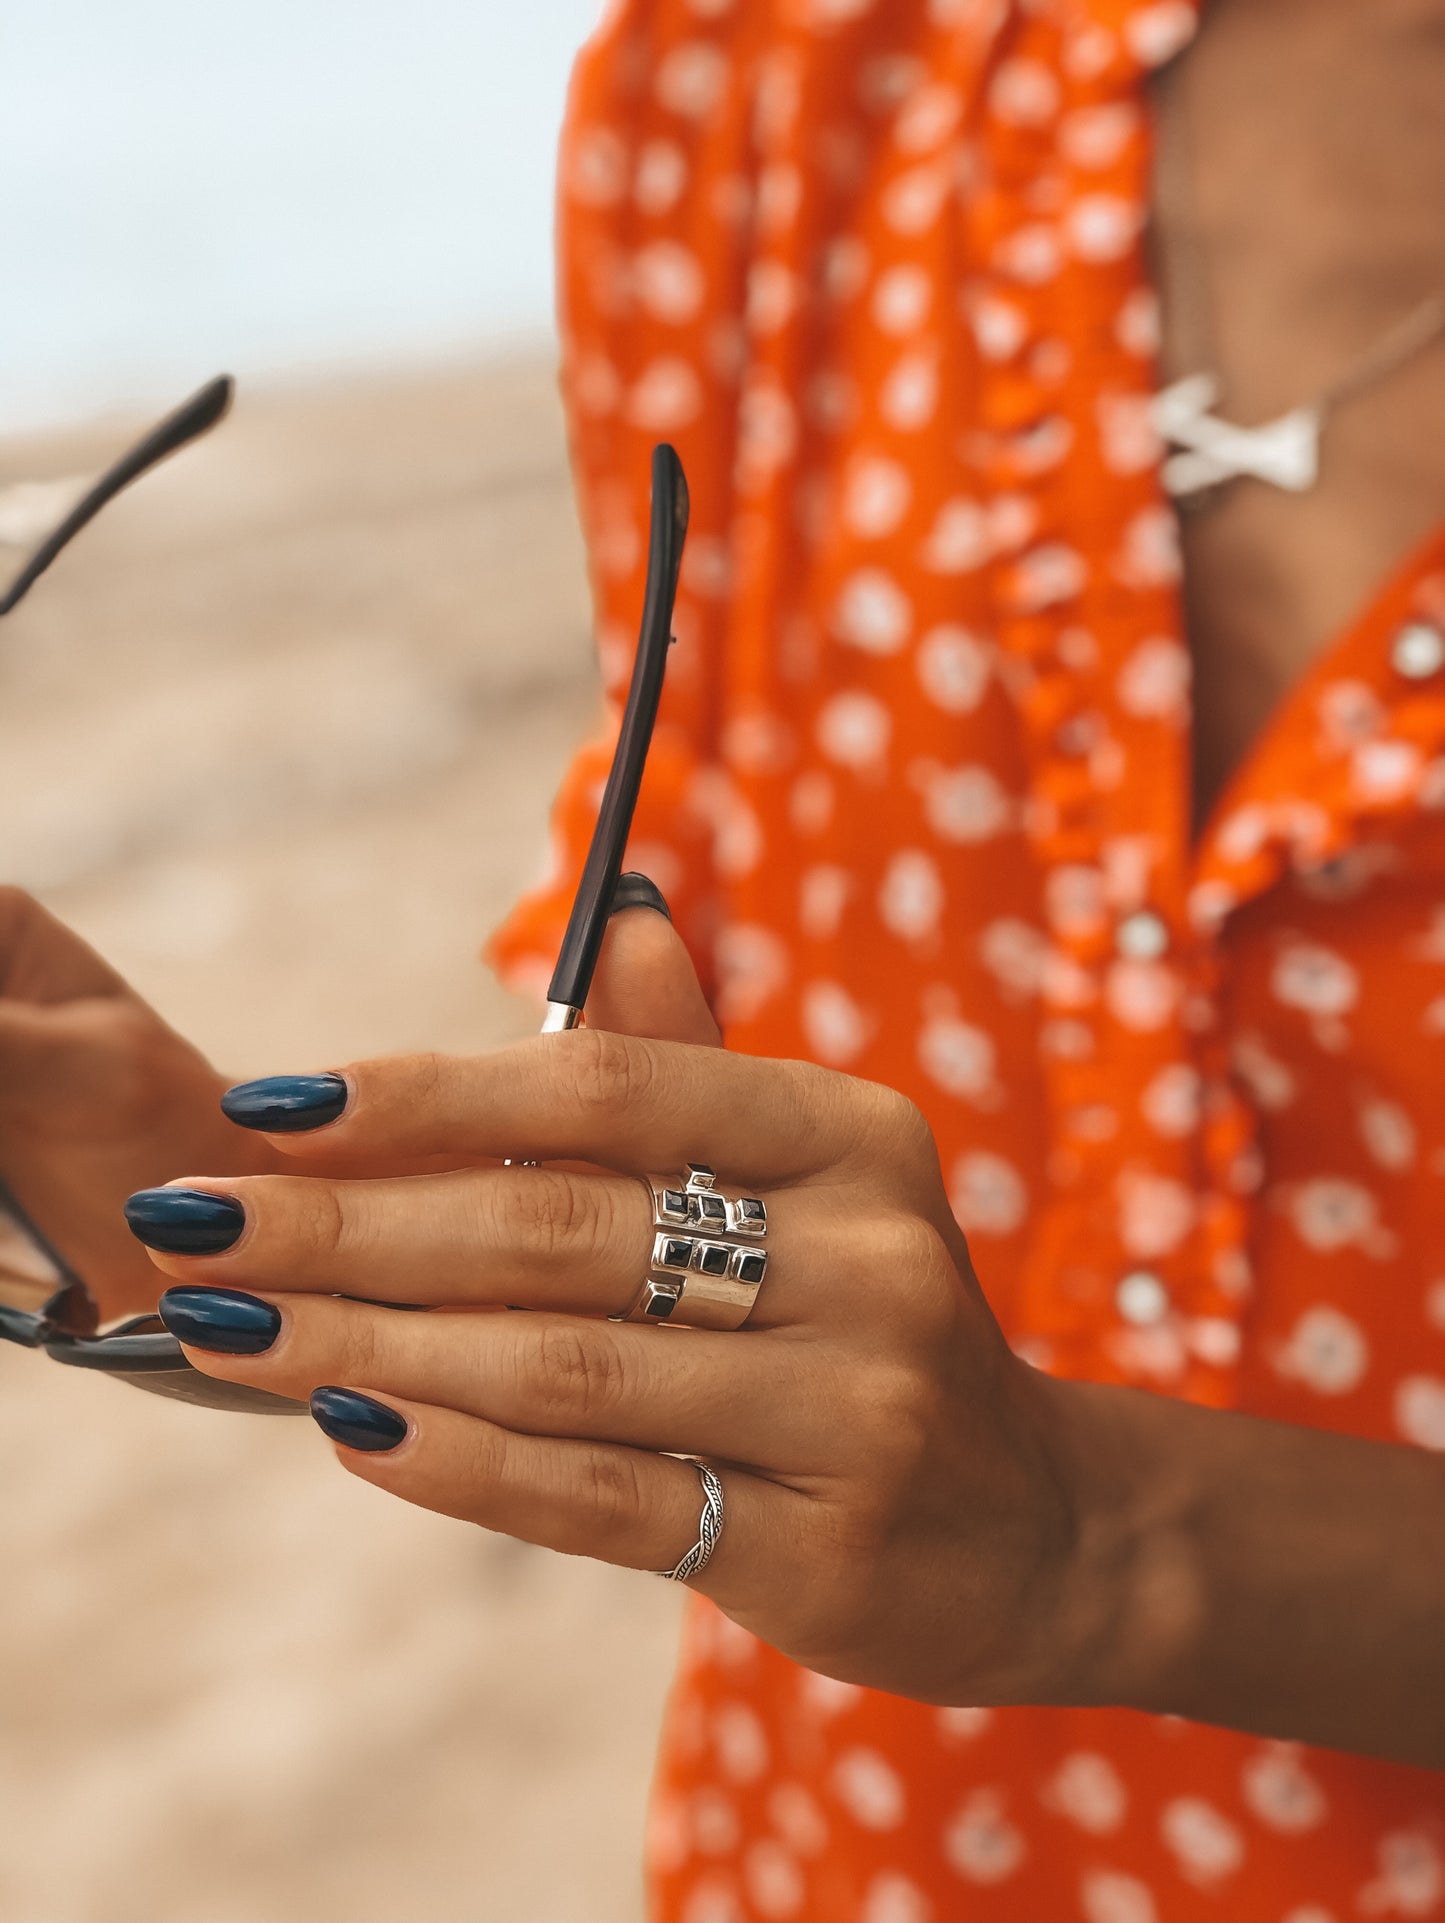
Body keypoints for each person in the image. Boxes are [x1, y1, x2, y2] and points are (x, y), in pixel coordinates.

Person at [3, 0, 1444, 1918]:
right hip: (856, 1859)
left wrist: (1101, 1544)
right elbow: (692, 1150)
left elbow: (997, 1487)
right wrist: (276, 1230)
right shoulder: (767, 82)